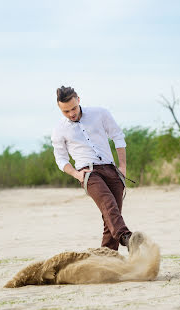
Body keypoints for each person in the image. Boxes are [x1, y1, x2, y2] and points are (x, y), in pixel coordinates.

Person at [51, 86, 133, 251]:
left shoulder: (100, 113)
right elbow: (60, 159)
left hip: (111, 170)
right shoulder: (59, 130)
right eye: (66, 111)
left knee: (110, 217)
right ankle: (127, 238)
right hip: (88, 173)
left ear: (79, 100)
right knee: (109, 204)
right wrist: (76, 174)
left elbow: (118, 136)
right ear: (60, 108)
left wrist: (122, 166)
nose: (71, 113)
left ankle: (106, 262)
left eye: (73, 108)